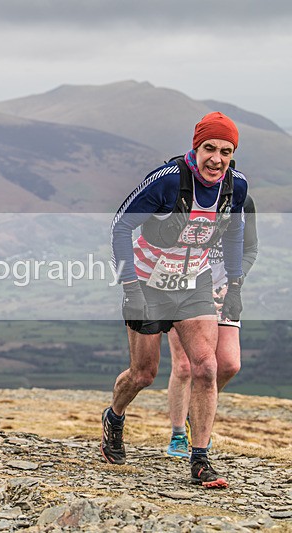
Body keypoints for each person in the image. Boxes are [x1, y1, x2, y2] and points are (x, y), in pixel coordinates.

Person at [107, 111, 248, 488]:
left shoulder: (236, 186)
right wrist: (130, 287)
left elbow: (235, 235)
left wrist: (233, 287)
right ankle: (115, 416)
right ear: (196, 147)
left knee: (206, 367)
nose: (217, 159)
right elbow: (120, 224)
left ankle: (200, 459)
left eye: (226, 151)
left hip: (194, 283)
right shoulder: (168, 180)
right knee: (143, 374)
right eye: (209, 148)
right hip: (148, 282)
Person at [166, 194, 258, 457]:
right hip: (184, 290)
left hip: (223, 292)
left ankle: (195, 414)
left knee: (229, 364)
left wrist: (233, 282)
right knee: (184, 365)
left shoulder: (243, 202)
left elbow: (250, 249)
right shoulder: (185, 198)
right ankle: (178, 435)